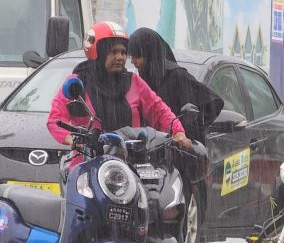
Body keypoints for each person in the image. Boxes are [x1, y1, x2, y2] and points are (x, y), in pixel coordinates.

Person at [46, 21, 191, 150]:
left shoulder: (134, 81)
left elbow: (159, 110)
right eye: (113, 52)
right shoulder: (77, 82)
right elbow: (55, 120)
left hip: (131, 164)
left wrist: (178, 132)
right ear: (99, 53)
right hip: (87, 164)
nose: (120, 57)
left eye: (123, 52)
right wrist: (73, 140)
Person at [127, 28, 224, 145]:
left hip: (180, 152)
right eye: (131, 56)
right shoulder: (141, 82)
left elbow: (214, 103)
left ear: (149, 54)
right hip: (151, 150)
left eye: (136, 56)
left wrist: (188, 130)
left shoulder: (177, 76)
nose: (132, 61)